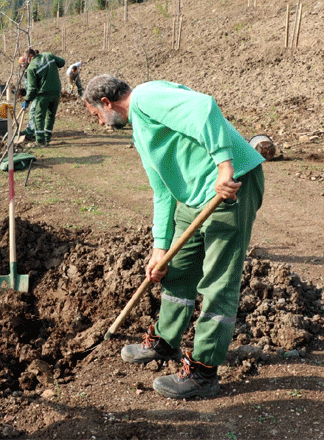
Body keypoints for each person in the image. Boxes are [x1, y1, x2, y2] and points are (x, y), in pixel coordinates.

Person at [82, 74, 266, 400]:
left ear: (106, 103)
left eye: (95, 114)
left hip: (231, 187)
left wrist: (225, 167)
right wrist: (159, 248)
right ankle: (166, 340)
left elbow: (203, 108)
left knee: (218, 282)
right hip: (192, 198)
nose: (98, 122)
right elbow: (162, 191)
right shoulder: (140, 130)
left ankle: (203, 372)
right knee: (176, 268)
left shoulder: (146, 97)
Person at [19, 48, 65, 146]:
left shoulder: (31, 67)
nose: (26, 62)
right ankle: (47, 139)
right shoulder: (49, 55)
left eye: (27, 59)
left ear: (30, 56)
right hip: (56, 91)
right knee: (51, 115)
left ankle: (40, 141)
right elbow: (62, 62)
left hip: (44, 93)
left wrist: (27, 101)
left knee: (38, 116)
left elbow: (32, 89)